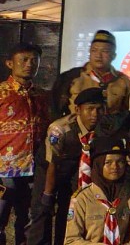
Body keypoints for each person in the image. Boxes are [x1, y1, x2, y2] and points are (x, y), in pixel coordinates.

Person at [28, 87, 105, 245]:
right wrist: (48, 195)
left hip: (75, 168)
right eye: (90, 109)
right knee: (42, 210)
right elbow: (52, 163)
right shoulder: (60, 129)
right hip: (50, 168)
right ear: (77, 110)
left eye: (99, 109)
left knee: (70, 209)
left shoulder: (103, 126)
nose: (95, 114)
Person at [0, 43, 49, 245]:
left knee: (28, 223)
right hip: (4, 170)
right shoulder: (1, 93)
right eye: (24, 60)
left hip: (32, 170)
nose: (29, 64)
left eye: (34, 60)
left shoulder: (42, 96)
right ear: (10, 63)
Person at [64, 136, 130, 245]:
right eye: (108, 162)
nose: (115, 167)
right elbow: (71, 241)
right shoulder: (82, 198)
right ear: (98, 164)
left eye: (120, 162)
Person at [51, 30, 130, 119]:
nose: (98, 55)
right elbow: (54, 109)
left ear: (113, 56)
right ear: (89, 53)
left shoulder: (123, 81)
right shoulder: (71, 77)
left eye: (105, 51)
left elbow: (128, 113)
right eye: (94, 50)